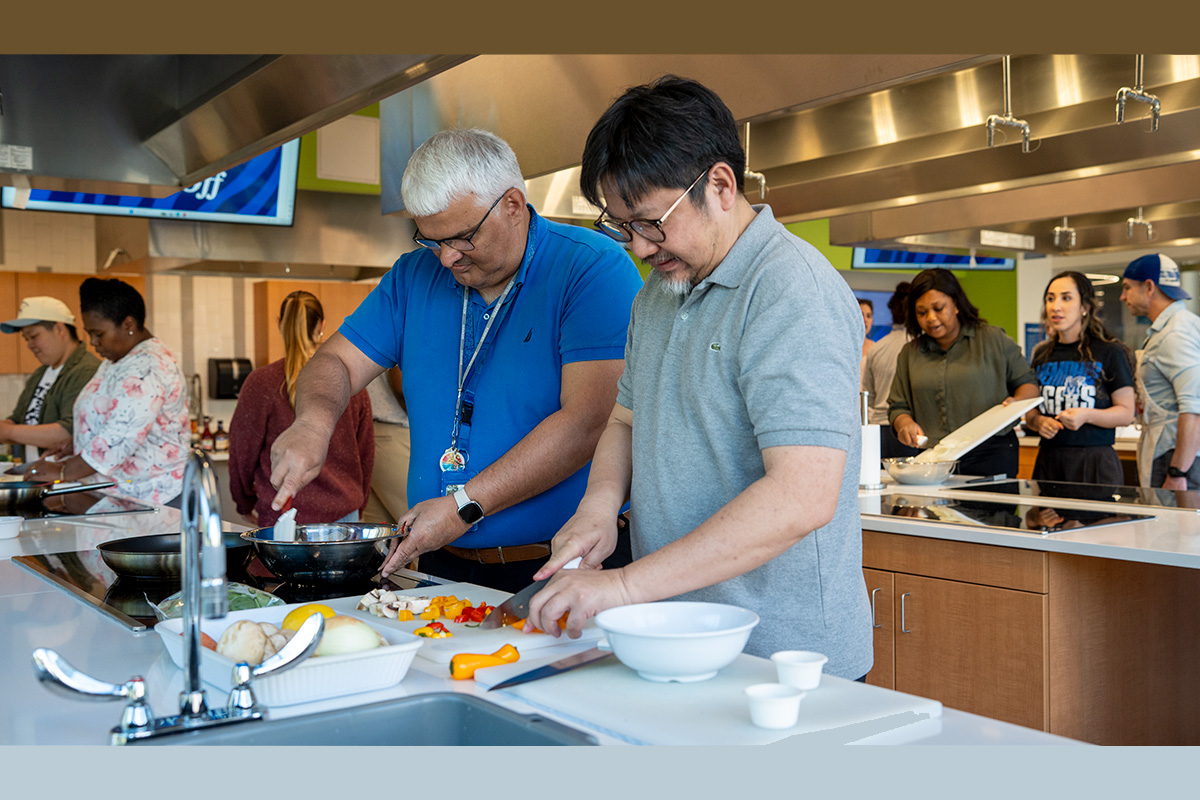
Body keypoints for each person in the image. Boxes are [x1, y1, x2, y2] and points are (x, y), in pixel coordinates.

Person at [523, 76, 873, 680]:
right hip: (673, 635)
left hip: (782, 659)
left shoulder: (792, 291)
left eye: (650, 222)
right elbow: (625, 420)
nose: (638, 248)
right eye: (622, 226)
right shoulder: (659, 293)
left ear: (720, 185)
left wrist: (624, 586)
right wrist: (598, 506)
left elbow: (802, 495)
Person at [267, 128, 643, 593]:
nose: (446, 259)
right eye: (430, 240)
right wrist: (314, 422)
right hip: (441, 562)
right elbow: (337, 362)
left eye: (462, 238)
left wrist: (465, 505)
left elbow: (589, 420)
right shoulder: (412, 275)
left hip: (562, 566)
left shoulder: (590, 267)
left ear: (512, 204)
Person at [24, 278, 189, 506]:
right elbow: (113, 416)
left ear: (128, 324)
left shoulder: (148, 366)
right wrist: (79, 440)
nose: (93, 342)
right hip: (123, 497)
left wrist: (62, 470)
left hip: (153, 497)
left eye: (98, 334)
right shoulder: (118, 360)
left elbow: (119, 437)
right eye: (89, 333)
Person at [229, 291, 374, 527]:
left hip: (280, 515)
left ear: (280, 325)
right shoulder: (350, 383)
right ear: (321, 326)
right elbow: (366, 454)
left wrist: (243, 503)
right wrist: (360, 503)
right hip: (344, 518)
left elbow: (241, 455)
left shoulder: (261, 382)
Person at [888, 267, 1039, 478]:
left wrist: (1016, 403)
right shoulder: (910, 353)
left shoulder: (993, 339)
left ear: (956, 305)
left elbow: (1028, 383)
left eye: (938, 308)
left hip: (992, 454)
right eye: (922, 312)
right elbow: (898, 406)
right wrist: (904, 423)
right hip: (934, 457)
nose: (931, 318)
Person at [1023, 271, 1135, 485]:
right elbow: (1031, 411)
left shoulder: (1110, 351)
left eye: (1066, 298)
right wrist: (1038, 422)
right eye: (1050, 299)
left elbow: (1126, 413)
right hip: (1049, 460)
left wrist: (1087, 415)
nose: (1055, 306)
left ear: (1085, 307)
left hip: (1094, 462)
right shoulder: (1042, 354)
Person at [1119, 253, 1200, 489]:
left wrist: (1177, 472)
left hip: (1174, 456)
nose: (1123, 296)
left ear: (1149, 287)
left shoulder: (1175, 335)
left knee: (1169, 515)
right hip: (1175, 453)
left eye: (1127, 288)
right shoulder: (1183, 325)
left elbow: (1194, 408)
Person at [0, 296, 100, 459]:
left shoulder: (86, 371)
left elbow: (70, 432)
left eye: (34, 336)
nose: (29, 345)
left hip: (66, 474)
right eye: (26, 339)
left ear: (59, 329)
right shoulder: (41, 373)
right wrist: (6, 429)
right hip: (35, 472)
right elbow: (17, 420)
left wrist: (9, 432)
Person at [860, 282, 920, 459]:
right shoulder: (919, 347)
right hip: (910, 431)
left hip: (879, 431)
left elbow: (868, 397)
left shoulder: (876, 349)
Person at [360, 367, 411, 526]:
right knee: (421, 522)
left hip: (373, 431)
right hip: (394, 431)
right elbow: (401, 386)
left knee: (383, 533)